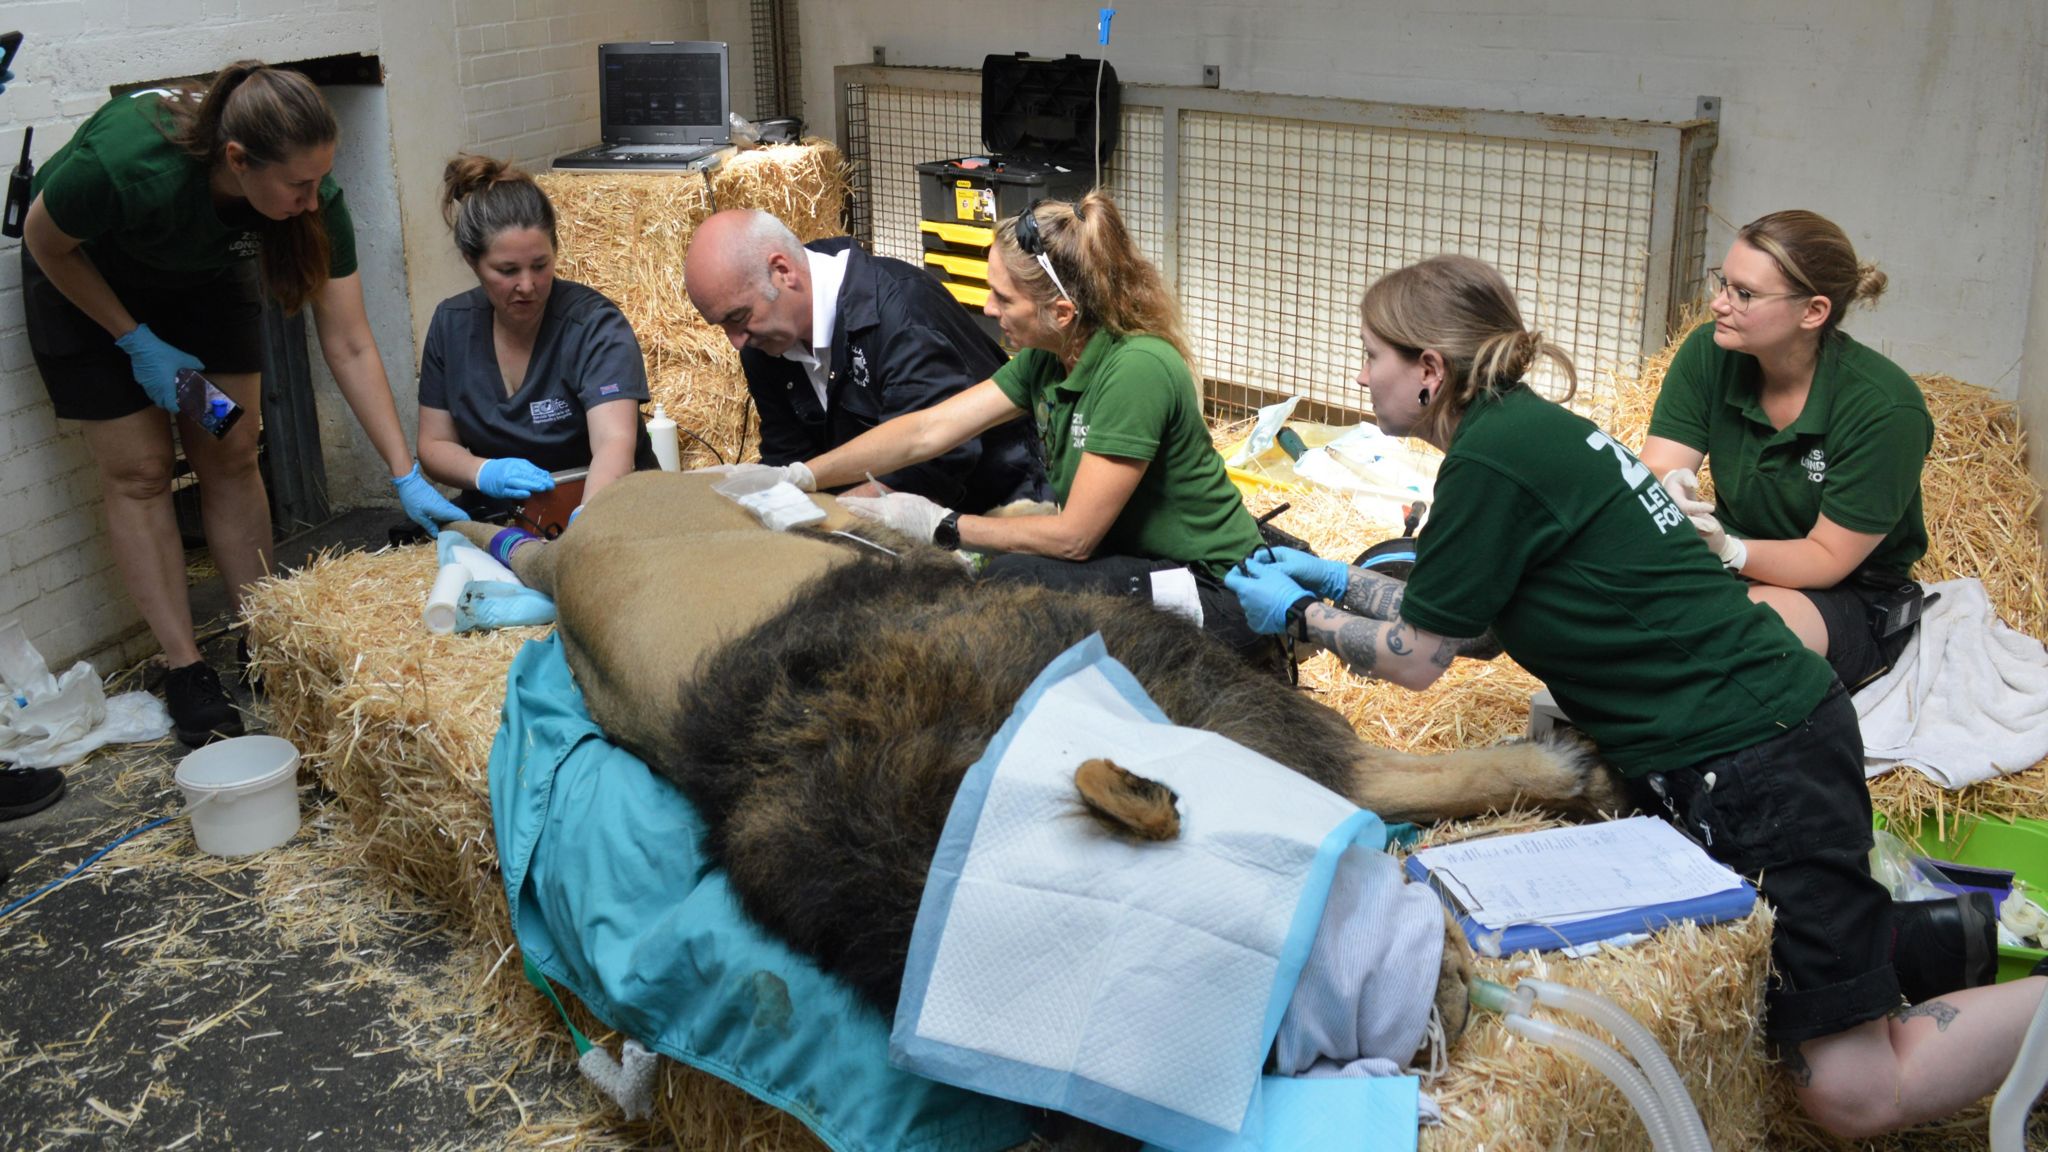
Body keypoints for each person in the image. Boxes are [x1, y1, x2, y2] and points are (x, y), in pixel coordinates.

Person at [1225, 253, 2046, 1139]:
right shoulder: (1517, 433)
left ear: (1429, 372)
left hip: (1759, 753)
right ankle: (1925, 942)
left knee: (1850, 1096)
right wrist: (1345, 583)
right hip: (1732, 748)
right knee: (1769, 963)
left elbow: (1422, 660)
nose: (1359, 373)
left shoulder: (1491, 459)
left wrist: (1304, 617)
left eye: (1371, 353)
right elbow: (1477, 625)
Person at [19, 61, 467, 746]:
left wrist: (404, 471)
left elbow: (347, 342)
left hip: (198, 281)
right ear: (237, 160)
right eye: (299, 185)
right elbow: (43, 239)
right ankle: (185, 667)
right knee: (140, 468)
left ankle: (262, 635)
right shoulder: (125, 165)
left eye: (321, 179)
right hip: (84, 281)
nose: (315, 200)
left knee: (229, 443)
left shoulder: (308, 197)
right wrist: (135, 340)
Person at [774, 191, 1269, 657]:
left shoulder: (1136, 369)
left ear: (1061, 311)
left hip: (1221, 590)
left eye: (1003, 298)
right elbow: (929, 429)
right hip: (1145, 560)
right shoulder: (1050, 358)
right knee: (1001, 572)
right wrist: (803, 475)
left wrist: (941, 526)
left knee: (1012, 582)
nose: (989, 309)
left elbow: (1074, 538)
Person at [1639, 210, 1932, 691]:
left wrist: (1730, 551)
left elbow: (1826, 558)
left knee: (1728, 640)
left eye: (1744, 294)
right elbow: (1662, 460)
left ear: (1813, 312)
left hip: (1844, 588)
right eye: (1722, 282)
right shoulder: (1711, 351)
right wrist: (1669, 484)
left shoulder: (1884, 409)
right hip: (1729, 563)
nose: (1718, 304)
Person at [683, 208, 1046, 512]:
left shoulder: (903, 313)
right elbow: (788, 456)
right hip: (872, 511)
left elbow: (933, 458)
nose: (735, 341)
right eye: (724, 325)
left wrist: (828, 515)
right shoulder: (766, 342)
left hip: (990, 507)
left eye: (738, 317)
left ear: (783, 271)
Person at [416, 155, 656, 522]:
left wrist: (588, 519)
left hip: (603, 505)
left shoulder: (594, 327)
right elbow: (434, 445)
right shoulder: (452, 325)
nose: (527, 285)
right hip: (502, 517)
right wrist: (483, 472)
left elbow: (614, 445)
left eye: (540, 266)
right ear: (471, 262)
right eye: (507, 270)